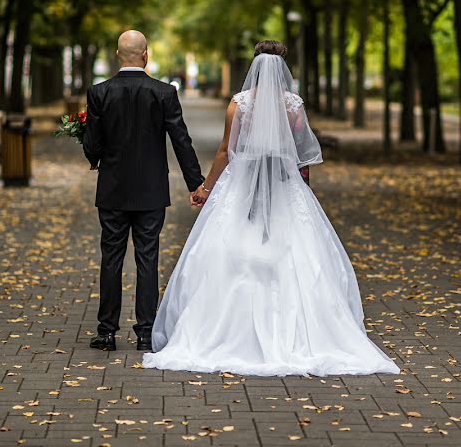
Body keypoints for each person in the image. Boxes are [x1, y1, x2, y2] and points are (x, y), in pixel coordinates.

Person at [142, 41, 400, 376]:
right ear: (282, 67)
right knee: (294, 250)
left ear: (255, 67)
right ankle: (302, 333)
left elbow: (225, 150)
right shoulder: (292, 105)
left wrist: (206, 188)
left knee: (231, 250)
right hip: (282, 182)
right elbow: (301, 150)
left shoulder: (239, 104)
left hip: (243, 181)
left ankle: (225, 331)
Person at [83, 30, 204, 352]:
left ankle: (106, 332)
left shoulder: (99, 92)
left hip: (112, 189)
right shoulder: (163, 93)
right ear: (145, 55)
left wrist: (95, 156)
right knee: (148, 259)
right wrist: (196, 184)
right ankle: (146, 333)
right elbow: (181, 140)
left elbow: (92, 143)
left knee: (111, 259)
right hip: (151, 190)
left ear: (117, 55)